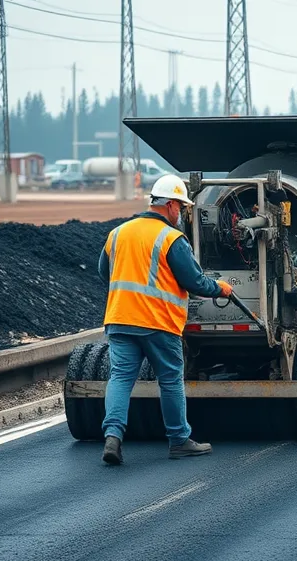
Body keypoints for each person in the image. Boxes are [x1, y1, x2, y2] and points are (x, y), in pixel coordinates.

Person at [97, 173, 233, 466]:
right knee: (170, 381)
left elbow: (103, 272)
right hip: (158, 323)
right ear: (170, 205)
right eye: (181, 208)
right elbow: (194, 281)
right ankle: (179, 440)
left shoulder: (118, 233)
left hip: (120, 318)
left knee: (120, 378)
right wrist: (219, 288)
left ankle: (112, 436)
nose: (182, 213)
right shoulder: (171, 238)